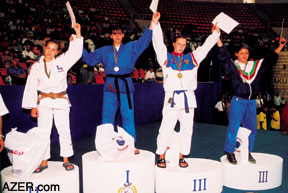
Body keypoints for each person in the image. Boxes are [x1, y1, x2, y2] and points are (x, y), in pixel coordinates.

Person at [81, 13, 159, 154]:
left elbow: (144, 41)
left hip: (125, 85)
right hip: (110, 86)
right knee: (107, 117)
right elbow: (89, 59)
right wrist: (77, 42)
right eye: (114, 33)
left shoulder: (131, 48)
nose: (117, 36)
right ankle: (106, 145)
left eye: (119, 33)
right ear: (110, 36)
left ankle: (131, 145)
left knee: (128, 116)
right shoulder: (104, 50)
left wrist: (152, 22)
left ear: (123, 35)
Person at [152, 12, 220, 168]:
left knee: (187, 129)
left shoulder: (193, 58)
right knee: (167, 127)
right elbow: (158, 44)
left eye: (184, 44)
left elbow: (206, 47)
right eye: (178, 44)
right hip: (172, 98)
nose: (181, 46)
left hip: (189, 99)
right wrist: (156, 25)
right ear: (174, 44)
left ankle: (181, 155)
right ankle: (161, 155)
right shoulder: (166, 58)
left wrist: (215, 34)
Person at [22, 23, 83, 173]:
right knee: (43, 131)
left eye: (53, 50)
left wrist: (78, 33)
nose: (50, 51)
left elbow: (75, 53)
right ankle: (43, 161)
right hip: (43, 101)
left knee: (64, 129)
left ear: (57, 52)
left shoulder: (62, 62)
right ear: (44, 48)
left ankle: (66, 159)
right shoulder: (36, 66)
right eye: (48, 48)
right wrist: (32, 106)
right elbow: (30, 86)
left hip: (61, 100)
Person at [216, 36, 287, 165]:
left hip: (252, 102)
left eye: (246, 53)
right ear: (236, 54)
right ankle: (230, 152)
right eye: (241, 53)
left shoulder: (255, 65)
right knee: (234, 127)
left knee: (251, 129)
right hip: (238, 100)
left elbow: (270, 60)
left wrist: (281, 46)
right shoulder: (233, 66)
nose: (244, 55)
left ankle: (247, 151)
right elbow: (224, 56)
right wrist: (217, 38)